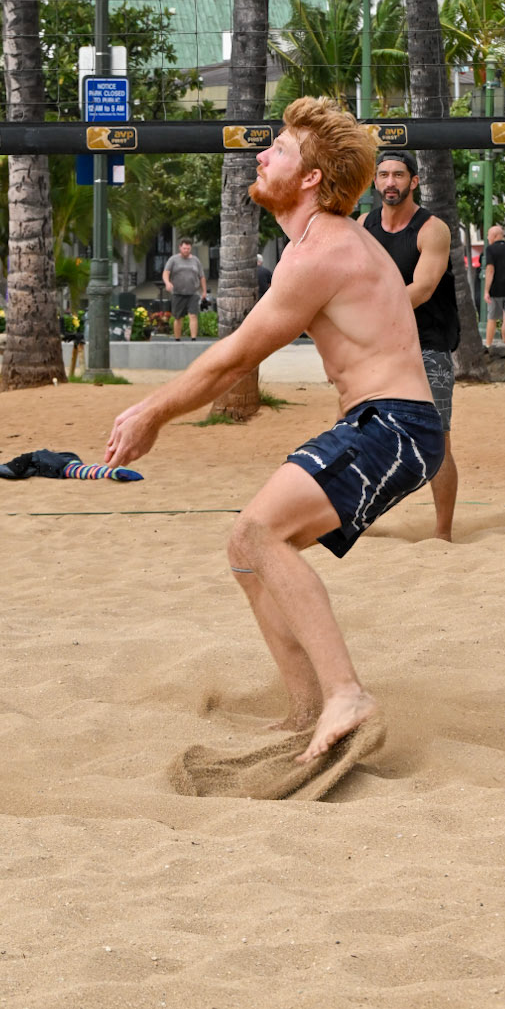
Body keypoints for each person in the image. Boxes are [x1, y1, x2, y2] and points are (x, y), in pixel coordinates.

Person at [105, 97, 444, 762]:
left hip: (395, 425)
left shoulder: (324, 249)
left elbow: (234, 356)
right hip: (384, 424)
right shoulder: (318, 243)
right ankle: (305, 708)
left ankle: (345, 693)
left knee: (261, 531)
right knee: (245, 546)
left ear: (312, 178)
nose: (260, 156)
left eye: (279, 150)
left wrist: (151, 412)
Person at [362, 148, 460, 541]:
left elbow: (421, 289)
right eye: (383, 175)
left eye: (398, 175)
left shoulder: (432, 229)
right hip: (377, 347)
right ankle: (359, 521)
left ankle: (442, 533)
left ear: (413, 181)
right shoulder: (363, 225)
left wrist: (366, 311)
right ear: (374, 181)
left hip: (428, 346)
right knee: (362, 434)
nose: (390, 182)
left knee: (437, 441)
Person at [162, 237, 207, 339]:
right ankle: (177, 339)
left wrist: (204, 291)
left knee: (193, 315)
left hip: (193, 293)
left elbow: (202, 276)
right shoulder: (173, 260)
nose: (186, 251)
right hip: (178, 293)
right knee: (178, 317)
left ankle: (193, 338)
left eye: (188, 249)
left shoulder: (196, 260)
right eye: (184, 248)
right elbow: (166, 273)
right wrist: (167, 282)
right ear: (180, 248)